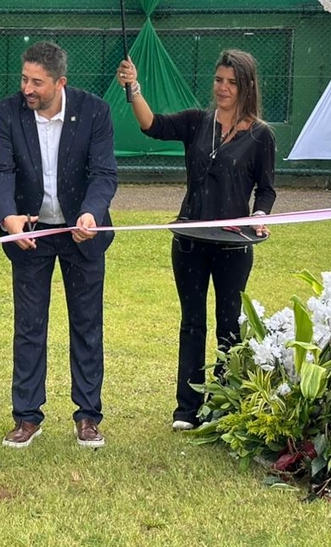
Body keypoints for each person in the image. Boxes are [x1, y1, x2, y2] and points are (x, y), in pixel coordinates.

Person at [117, 49, 275, 431]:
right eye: (219, 80)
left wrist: (259, 216)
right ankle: (187, 409)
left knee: (228, 325)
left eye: (232, 83)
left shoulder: (261, 135)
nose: (223, 88)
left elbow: (266, 190)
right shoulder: (195, 123)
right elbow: (151, 125)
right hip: (189, 238)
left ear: (246, 87)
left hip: (233, 245)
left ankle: (221, 404)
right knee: (192, 323)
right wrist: (133, 87)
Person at [0, 41, 118, 450]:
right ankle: (27, 417)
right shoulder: (6, 112)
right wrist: (8, 220)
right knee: (29, 325)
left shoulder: (95, 110)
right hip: (30, 235)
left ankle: (88, 416)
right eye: (24, 79)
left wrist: (92, 214)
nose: (27, 88)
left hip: (83, 235)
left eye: (37, 82)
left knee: (86, 324)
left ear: (60, 82)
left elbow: (104, 173)